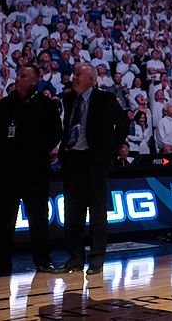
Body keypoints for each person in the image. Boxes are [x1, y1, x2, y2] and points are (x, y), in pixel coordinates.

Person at [0, 63, 62, 276]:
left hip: (35, 169)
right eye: (18, 75)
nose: (19, 79)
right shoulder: (6, 103)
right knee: (4, 219)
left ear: (35, 80)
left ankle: (43, 261)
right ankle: (1, 262)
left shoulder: (46, 104)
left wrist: (38, 151)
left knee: (39, 218)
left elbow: (56, 133)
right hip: (9, 170)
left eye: (23, 76)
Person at [57, 62, 127, 275]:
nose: (74, 77)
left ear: (90, 79)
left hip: (95, 162)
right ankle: (75, 258)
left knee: (97, 213)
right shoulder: (67, 99)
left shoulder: (104, 99)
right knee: (72, 213)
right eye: (73, 73)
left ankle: (97, 259)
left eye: (78, 74)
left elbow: (123, 123)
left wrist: (111, 150)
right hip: (73, 161)